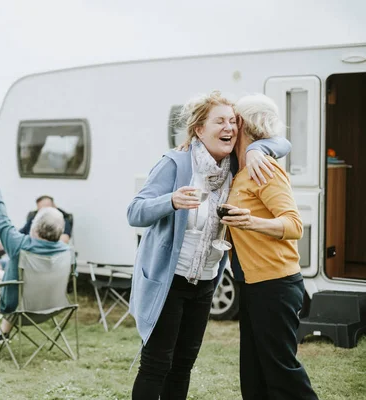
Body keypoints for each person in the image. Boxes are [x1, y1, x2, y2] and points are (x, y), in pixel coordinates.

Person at [127, 91, 291, 400]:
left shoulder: (234, 164)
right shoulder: (176, 163)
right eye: (219, 121)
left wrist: (259, 148)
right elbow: (135, 212)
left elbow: (283, 143)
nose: (229, 127)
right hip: (169, 281)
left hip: (204, 283)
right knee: (156, 364)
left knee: (183, 366)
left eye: (233, 121)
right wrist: (171, 201)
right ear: (199, 129)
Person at [221, 94, 318, 399]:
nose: (228, 126)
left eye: (232, 120)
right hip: (251, 284)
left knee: (281, 374)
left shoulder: (264, 168)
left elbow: (293, 225)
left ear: (243, 123)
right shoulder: (242, 167)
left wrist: (251, 222)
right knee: (254, 375)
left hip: (275, 283)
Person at [0, 172, 71, 341]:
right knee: (18, 281)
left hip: (17, 309)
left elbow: (1, 219)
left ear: (36, 227)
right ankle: (2, 332)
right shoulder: (66, 251)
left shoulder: (20, 244)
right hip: (52, 308)